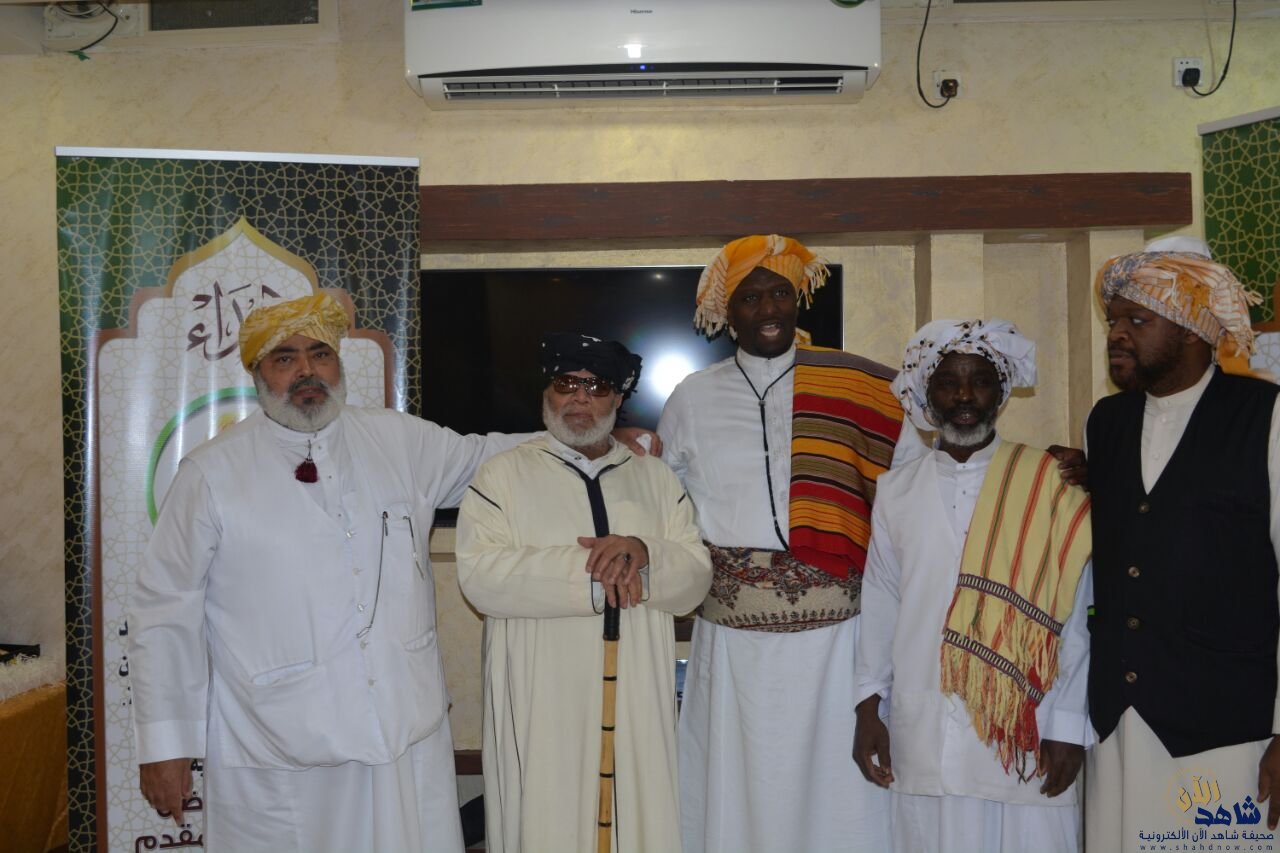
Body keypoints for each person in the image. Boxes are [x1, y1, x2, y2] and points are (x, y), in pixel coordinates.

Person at [129, 295, 657, 852]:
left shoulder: (398, 439)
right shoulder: (211, 474)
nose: (307, 371)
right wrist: (164, 745)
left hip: (402, 731)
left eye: (320, 354)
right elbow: (164, 610)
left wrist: (593, 440)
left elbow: (491, 458)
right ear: (258, 373)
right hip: (278, 745)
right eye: (285, 358)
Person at [658, 234, 927, 852]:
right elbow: (661, 499)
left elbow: (914, 484)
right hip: (732, 645)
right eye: (750, 298)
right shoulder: (694, 398)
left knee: (839, 792)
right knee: (737, 786)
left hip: (840, 640)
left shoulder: (861, 386)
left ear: (799, 299)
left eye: (780, 292)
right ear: (728, 313)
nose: (769, 309)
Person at [456, 333, 712, 853]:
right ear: (546, 394)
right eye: (566, 384)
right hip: (542, 698)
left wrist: (644, 552)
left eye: (596, 387)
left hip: (637, 695)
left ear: (617, 400)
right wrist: (596, 571)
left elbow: (695, 576)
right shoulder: (502, 476)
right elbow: (481, 576)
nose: (579, 398)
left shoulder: (656, 480)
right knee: (545, 818)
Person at [853, 319, 1093, 853]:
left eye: (981, 381)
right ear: (926, 393)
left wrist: (1068, 726)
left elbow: (1074, 614)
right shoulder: (896, 491)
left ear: (1001, 392)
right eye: (948, 383)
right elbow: (881, 603)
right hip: (924, 720)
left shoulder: (1047, 482)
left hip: (1026, 727)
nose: (964, 396)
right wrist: (869, 708)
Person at [1084, 246, 1280, 850]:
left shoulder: (1266, 417)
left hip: (1229, 731)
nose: (1116, 334)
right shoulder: (1105, 423)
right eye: (1114, 320)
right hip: (1120, 725)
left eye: (1137, 320)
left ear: (1193, 330)